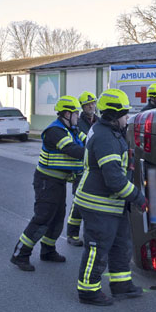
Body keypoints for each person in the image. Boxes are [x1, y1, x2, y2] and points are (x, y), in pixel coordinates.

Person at [74, 89, 146, 306]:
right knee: (97, 247)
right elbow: (113, 179)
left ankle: (121, 284)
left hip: (112, 203)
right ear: (114, 116)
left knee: (120, 244)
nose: (127, 119)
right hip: (99, 204)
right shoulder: (106, 138)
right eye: (125, 114)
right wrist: (137, 197)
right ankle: (88, 290)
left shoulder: (108, 131)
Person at [11, 95, 85, 272]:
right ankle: (20, 254)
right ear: (67, 114)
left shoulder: (72, 129)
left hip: (58, 182)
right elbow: (72, 150)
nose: (78, 116)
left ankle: (48, 250)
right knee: (43, 217)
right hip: (47, 181)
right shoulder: (55, 131)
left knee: (57, 217)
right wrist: (95, 152)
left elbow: (87, 141)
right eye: (76, 113)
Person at [66, 92, 99, 246]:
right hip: (81, 167)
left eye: (92, 103)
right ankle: (72, 234)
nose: (91, 106)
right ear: (83, 107)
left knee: (93, 202)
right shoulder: (78, 124)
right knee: (78, 203)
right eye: (87, 104)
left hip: (95, 167)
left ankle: (91, 235)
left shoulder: (98, 121)